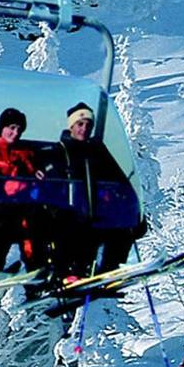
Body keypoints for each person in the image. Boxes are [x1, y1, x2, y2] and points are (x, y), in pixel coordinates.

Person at [54, 102, 140, 279]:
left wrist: (132, 208)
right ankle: (71, 273)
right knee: (79, 236)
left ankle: (110, 270)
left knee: (121, 233)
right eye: (80, 124)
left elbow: (119, 179)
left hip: (98, 214)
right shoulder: (61, 151)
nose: (85, 128)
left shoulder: (97, 150)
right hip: (70, 215)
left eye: (88, 125)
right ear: (71, 125)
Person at [0, 107, 44, 273]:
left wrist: (38, 173)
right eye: (11, 128)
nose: (15, 133)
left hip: (22, 207)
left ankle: (35, 273)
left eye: (19, 129)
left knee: (32, 234)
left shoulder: (26, 154)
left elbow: (36, 172)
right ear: (2, 128)